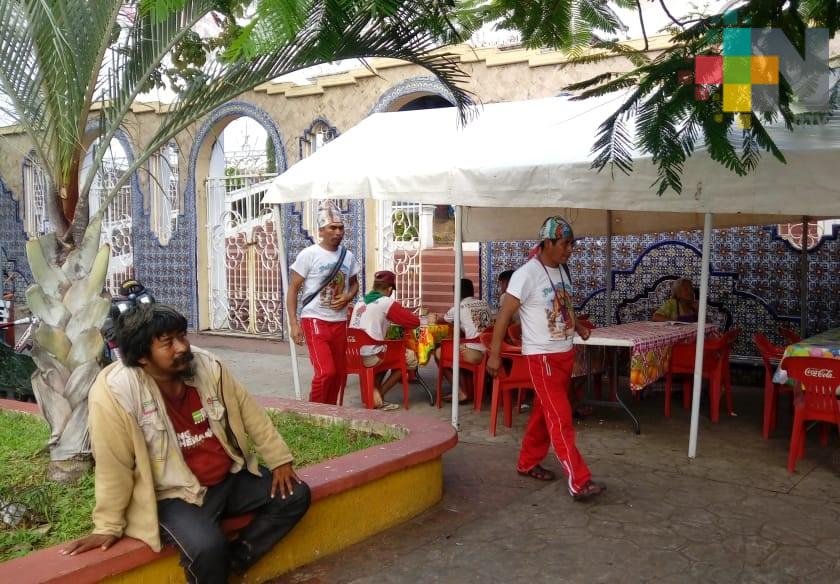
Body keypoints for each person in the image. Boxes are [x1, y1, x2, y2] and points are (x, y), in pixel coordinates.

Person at [62, 304, 310, 583]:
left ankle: (238, 558)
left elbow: (249, 411)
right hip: (173, 495)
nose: (182, 347)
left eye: (182, 336)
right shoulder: (115, 392)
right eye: (168, 343)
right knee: (206, 548)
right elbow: (113, 462)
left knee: (295, 494)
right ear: (143, 356)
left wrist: (279, 460)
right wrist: (108, 525)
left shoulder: (207, 365)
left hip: (226, 480)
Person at [488, 216, 606, 501]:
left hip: (564, 353)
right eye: (565, 244)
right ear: (548, 242)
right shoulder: (526, 274)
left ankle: (527, 461)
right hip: (542, 357)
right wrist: (494, 354)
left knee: (545, 412)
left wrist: (577, 325)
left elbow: (564, 305)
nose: (569, 250)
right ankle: (579, 481)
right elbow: (505, 315)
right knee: (561, 417)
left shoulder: (562, 271)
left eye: (571, 245)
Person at [286, 201, 360, 404]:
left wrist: (347, 296)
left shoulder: (348, 256)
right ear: (321, 230)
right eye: (332, 228)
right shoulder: (309, 255)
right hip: (314, 319)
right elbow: (293, 289)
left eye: (341, 228)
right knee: (325, 372)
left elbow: (355, 285)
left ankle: (331, 413)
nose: (338, 232)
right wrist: (294, 324)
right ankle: (315, 413)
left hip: (339, 321)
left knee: (339, 375)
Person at [349, 270, 420, 410]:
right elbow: (414, 322)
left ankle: (373, 392)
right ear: (389, 290)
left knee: (383, 350)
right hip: (371, 356)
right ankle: (378, 394)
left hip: (352, 355)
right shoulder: (386, 302)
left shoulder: (360, 300)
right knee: (409, 358)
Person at [435, 278, 493, 403]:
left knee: (439, 353)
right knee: (457, 347)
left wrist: (433, 318)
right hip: (489, 349)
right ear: (472, 291)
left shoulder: (458, 307)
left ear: (457, 293)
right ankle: (466, 387)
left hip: (474, 352)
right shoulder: (484, 303)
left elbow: (442, 321)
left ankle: (460, 392)